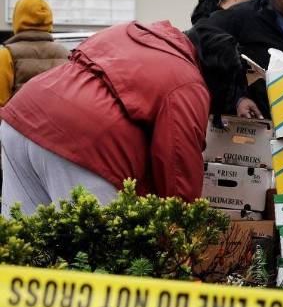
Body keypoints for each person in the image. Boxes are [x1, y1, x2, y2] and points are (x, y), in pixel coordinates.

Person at [0, 20, 244, 216]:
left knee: (23, 245)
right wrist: (184, 232)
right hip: (79, 145)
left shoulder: (128, 31)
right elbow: (179, 165)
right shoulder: (188, 82)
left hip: (21, 116)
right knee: (97, 256)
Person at [0, 0, 68, 106]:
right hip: (55, 122)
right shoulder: (65, 54)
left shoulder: (6, 54)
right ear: (49, 20)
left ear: (17, 19)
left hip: (18, 121)